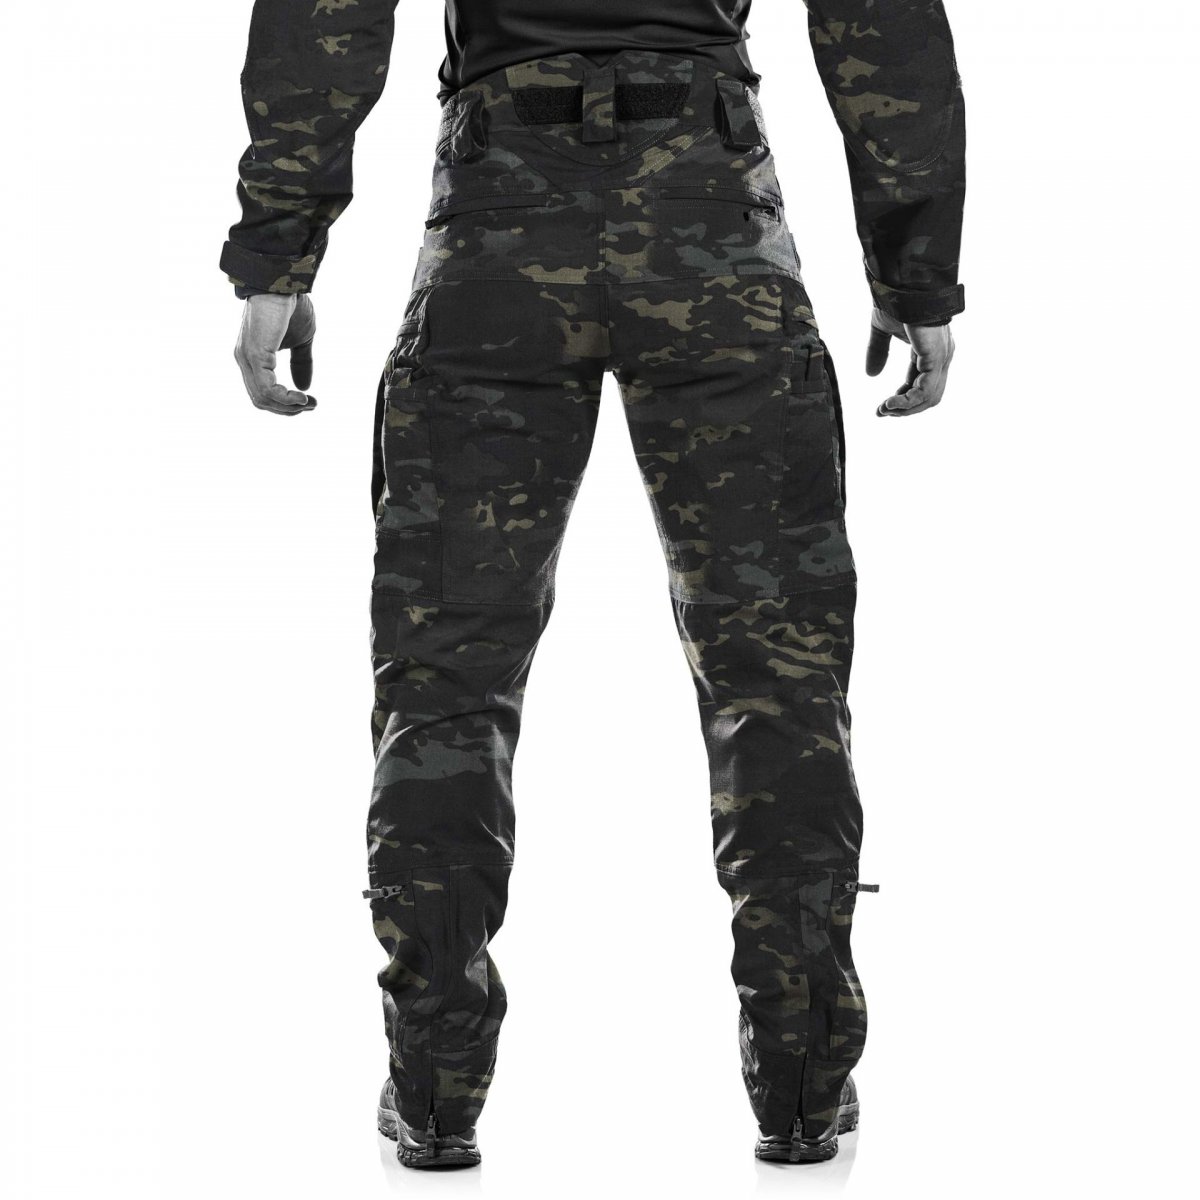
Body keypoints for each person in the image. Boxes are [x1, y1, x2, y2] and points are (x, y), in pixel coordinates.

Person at [222, 0, 965, 1169]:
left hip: (495, 228)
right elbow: (882, 25)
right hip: (714, 219)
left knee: (447, 679)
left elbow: (331, 16)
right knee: (777, 674)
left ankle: (435, 1089)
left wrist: (277, 252)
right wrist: (917, 272)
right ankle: (803, 1081)